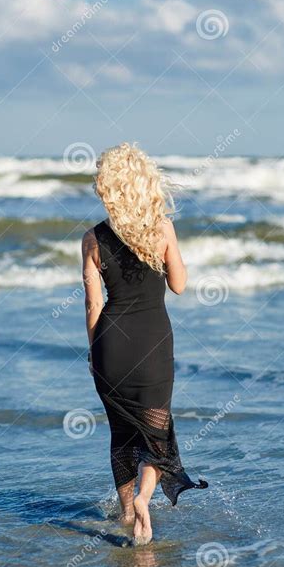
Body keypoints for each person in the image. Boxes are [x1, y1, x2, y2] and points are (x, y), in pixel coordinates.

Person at [82, 142, 207, 545]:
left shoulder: (93, 238)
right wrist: (170, 246)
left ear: (108, 187)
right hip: (154, 345)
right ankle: (144, 499)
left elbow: (92, 303)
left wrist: (94, 351)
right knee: (157, 430)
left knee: (120, 432)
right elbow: (180, 285)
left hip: (110, 348)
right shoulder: (162, 228)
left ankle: (124, 514)